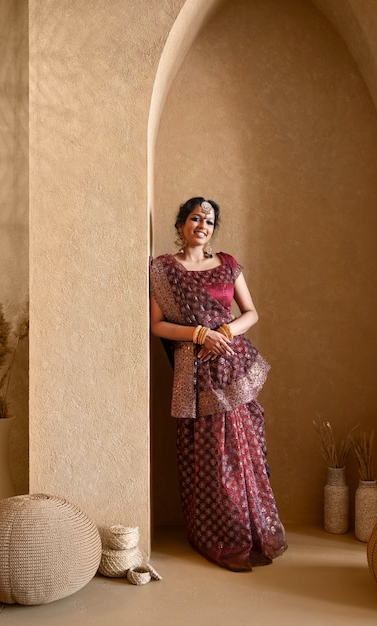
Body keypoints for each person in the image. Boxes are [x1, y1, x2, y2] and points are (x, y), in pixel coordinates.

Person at [150, 196, 287, 572]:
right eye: (195, 219)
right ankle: (219, 535)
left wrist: (224, 331)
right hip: (194, 371)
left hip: (232, 367)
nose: (202, 226)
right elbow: (156, 324)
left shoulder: (227, 265)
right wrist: (199, 334)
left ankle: (252, 531)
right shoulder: (164, 269)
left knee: (244, 451)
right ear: (181, 225)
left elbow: (251, 313)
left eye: (209, 222)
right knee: (209, 451)